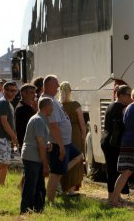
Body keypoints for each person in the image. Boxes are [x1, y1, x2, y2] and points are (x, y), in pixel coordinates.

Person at [42, 75, 83, 203]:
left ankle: (56, 191)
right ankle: (50, 201)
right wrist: (60, 146)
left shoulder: (53, 100)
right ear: (48, 85)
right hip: (59, 143)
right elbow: (54, 125)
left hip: (66, 141)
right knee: (55, 174)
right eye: (56, 84)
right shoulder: (48, 101)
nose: (58, 87)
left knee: (78, 156)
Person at [20, 97, 53, 214]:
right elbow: (40, 144)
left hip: (35, 157)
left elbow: (43, 141)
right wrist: (45, 165)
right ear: (46, 107)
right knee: (31, 187)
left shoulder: (42, 119)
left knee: (39, 187)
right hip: (32, 158)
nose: (52, 109)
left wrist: (48, 144)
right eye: (51, 106)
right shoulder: (39, 120)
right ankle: (25, 212)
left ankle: (38, 211)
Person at [101, 85, 132, 203]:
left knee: (112, 169)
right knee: (113, 170)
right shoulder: (121, 108)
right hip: (113, 143)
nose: (131, 98)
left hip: (106, 140)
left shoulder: (111, 105)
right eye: (130, 95)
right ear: (123, 96)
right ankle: (111, 197)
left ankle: (115, 195)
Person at [59, 81, 86, 196]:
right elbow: (82, 123)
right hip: (74, 133)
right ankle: (71, 188)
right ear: (70, 91)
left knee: (65, 158)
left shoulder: (59, 106)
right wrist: (84, 135)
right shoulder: (75, 105)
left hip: (62, 133)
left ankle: (62, 186)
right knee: (76, 158)